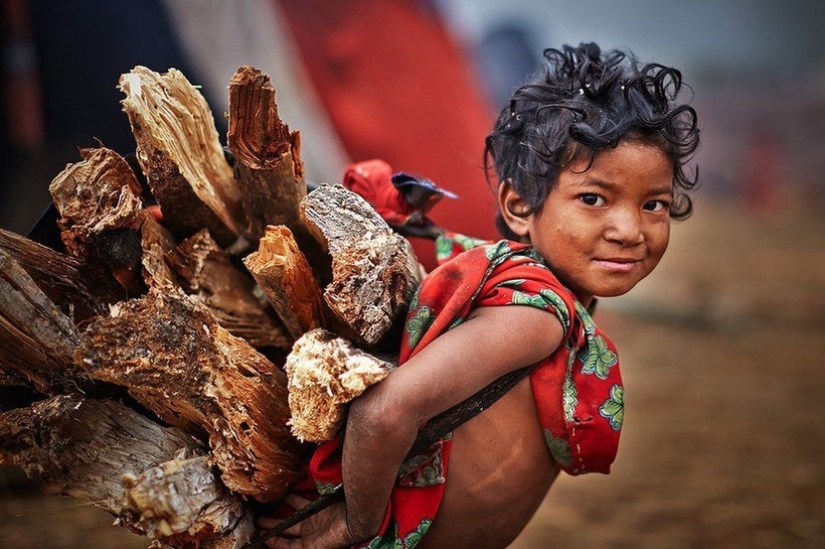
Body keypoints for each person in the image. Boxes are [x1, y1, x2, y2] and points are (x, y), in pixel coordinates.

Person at [259, 41, 700, 549]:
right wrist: (357, 525)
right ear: (518, 207)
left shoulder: (526, 295)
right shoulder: (537, 314)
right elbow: (385, 413)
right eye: (593, 198)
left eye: (654, 204)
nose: (629, 229)